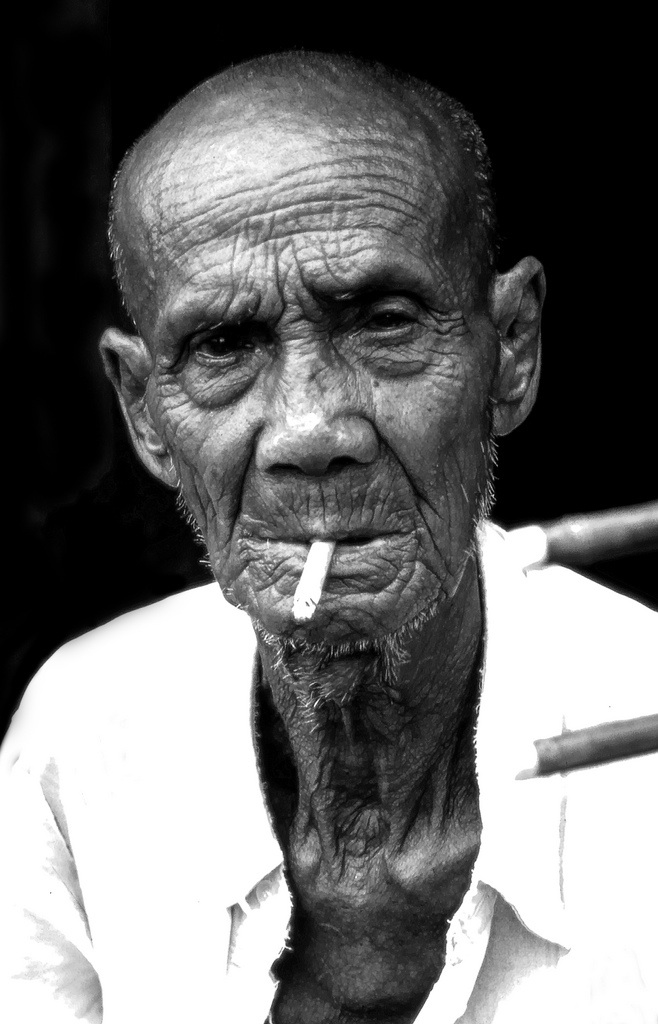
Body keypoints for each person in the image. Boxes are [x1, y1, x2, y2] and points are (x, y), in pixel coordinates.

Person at [1, 51, 657, 1024]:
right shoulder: (85, 733)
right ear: (144, 411)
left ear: (511, 349)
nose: (311, 432)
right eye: (224, 345)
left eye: (384, 322)